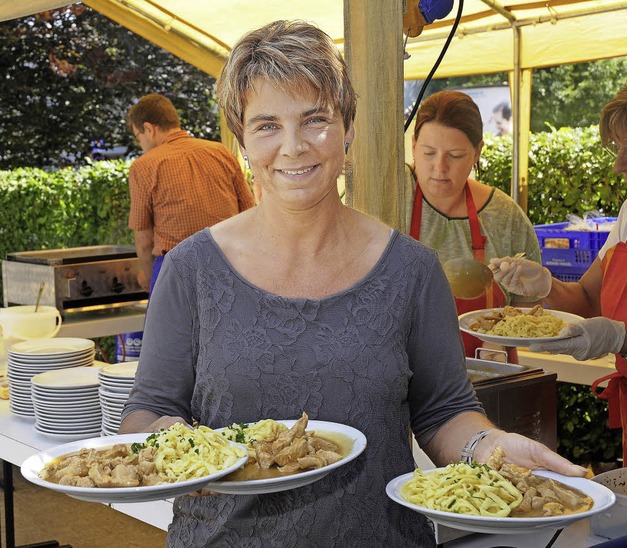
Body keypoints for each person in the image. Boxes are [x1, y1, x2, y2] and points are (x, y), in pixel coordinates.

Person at [120, 20, 585, 547]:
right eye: (267, 125)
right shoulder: (191, 270)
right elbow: (147, 409)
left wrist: (493, 446)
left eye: (315, 119)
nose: (293, 147)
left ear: (348, 129)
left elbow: (443, 411)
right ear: (242, 138)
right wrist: (169, 446)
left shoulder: (410, 270)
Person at [491, 75, 627, 466]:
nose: (619, 165)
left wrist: (625, 342)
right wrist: (546, 285)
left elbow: (620, 336)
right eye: (618, 148)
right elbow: (588, 298)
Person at [404, 90, 542, 360]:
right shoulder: (391, 196)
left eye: (455, 155)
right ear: (413, 145)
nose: (439, 167)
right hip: (404, 382)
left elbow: (530, 310)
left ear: (477, 151)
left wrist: (502, 336)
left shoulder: (505, 217)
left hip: (486, 374)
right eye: (428, 153)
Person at [126, 93, 255, 293]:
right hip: (229, 264)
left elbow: (144, 241)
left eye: (138, 136)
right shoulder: (221, 152)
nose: (140, 144)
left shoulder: (144, 167)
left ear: (149, 129)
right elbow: (250, 213)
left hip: (176, 269)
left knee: (170, 325)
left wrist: (146, 274)